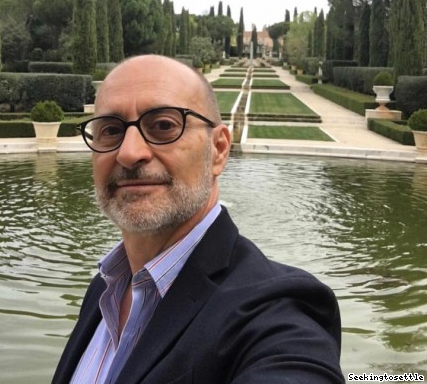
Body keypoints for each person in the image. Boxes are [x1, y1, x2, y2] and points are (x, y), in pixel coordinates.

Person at [53, 55, 344, 384]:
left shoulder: (276, 311)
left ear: (218, 149)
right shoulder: (104, 289)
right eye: (110, 130)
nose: (130, 153)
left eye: (164, 126)